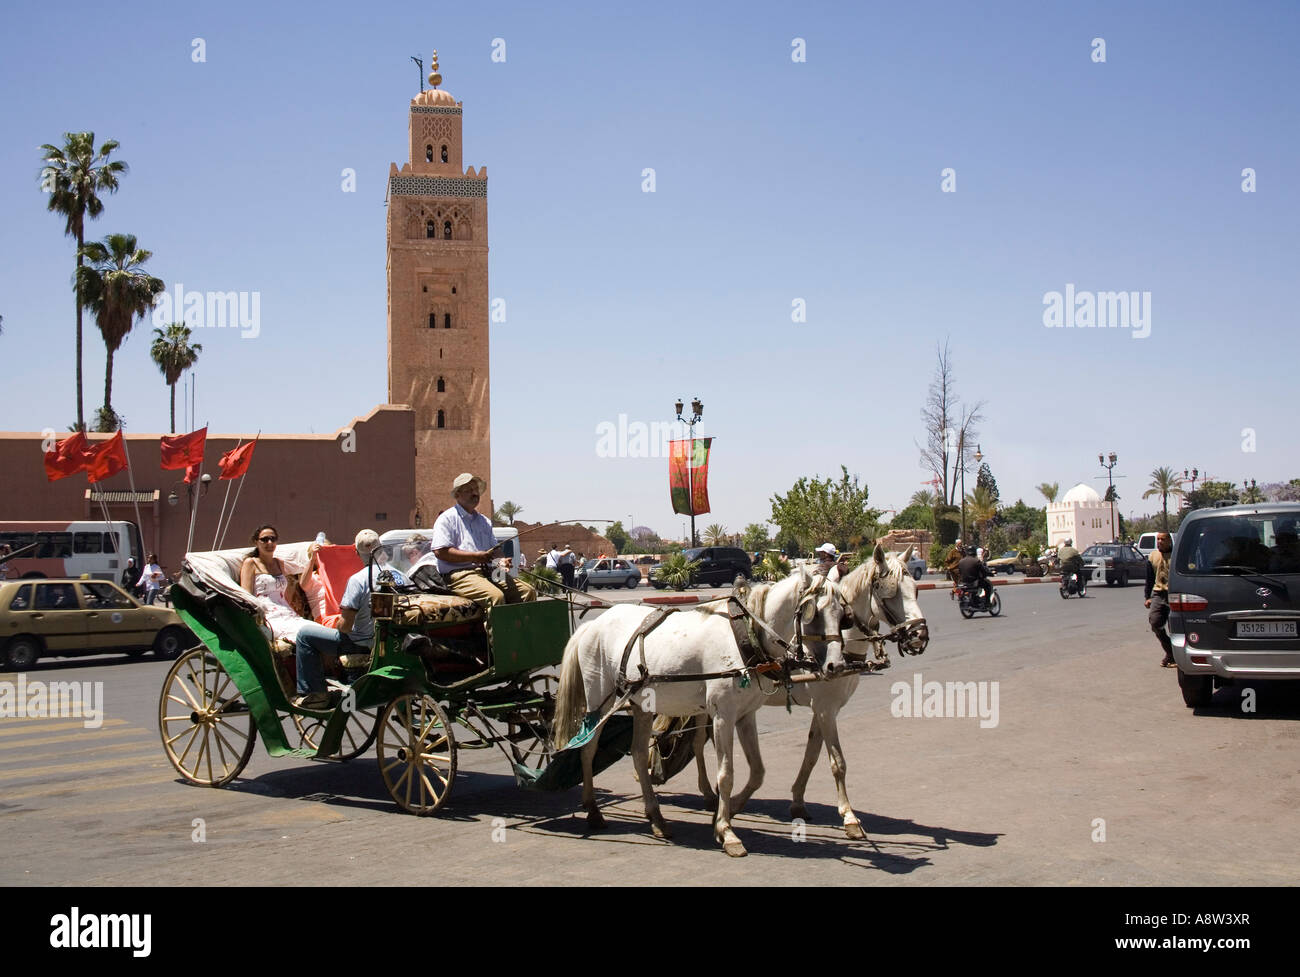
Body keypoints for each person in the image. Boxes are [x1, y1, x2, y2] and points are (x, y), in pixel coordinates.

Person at [291, 529, 410, 709]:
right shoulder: (402, 577)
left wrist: (339, 620)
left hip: (360, 643)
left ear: (356, 551)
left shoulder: (358, 580)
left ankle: (315, 693)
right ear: (381, 548)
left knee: (305, 635)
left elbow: (345, 628)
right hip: (393, 641)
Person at [432, 472, 536, 606]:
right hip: (460, 574)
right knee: (495, 597)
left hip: (489, 571)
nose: (475, 493)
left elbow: (495, 549)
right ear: (457, 495)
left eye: (476, 490)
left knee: (528, 591)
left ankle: (521, 627)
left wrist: (502, 560)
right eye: (469, 490)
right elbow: (441, 552)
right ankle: (498, 627)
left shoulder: (484, 521)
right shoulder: (447, 519)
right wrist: (474, 557)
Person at [239, 525, 309, 641]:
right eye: (265, 539)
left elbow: (285, 594)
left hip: (287, 613)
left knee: (317, 633)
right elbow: (246, 595)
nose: (270, 542)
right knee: (304, 635)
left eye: (273, 539)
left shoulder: (279, 563)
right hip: (268, 616)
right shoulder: (251, 563)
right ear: (256, 542)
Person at [1144, 532, 1176, 668]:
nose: (1160, 541)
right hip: (1158, 593)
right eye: (1158, 539)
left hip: (1174, 593)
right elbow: (1149, 579)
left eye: (1163, 539)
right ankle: (1171, 652)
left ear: (1169, 540)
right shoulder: (1153, 556)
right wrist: (1147, 597)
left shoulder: (1177, 555)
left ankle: (1177, 656)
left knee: (1175, 628)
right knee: (1155, 623)